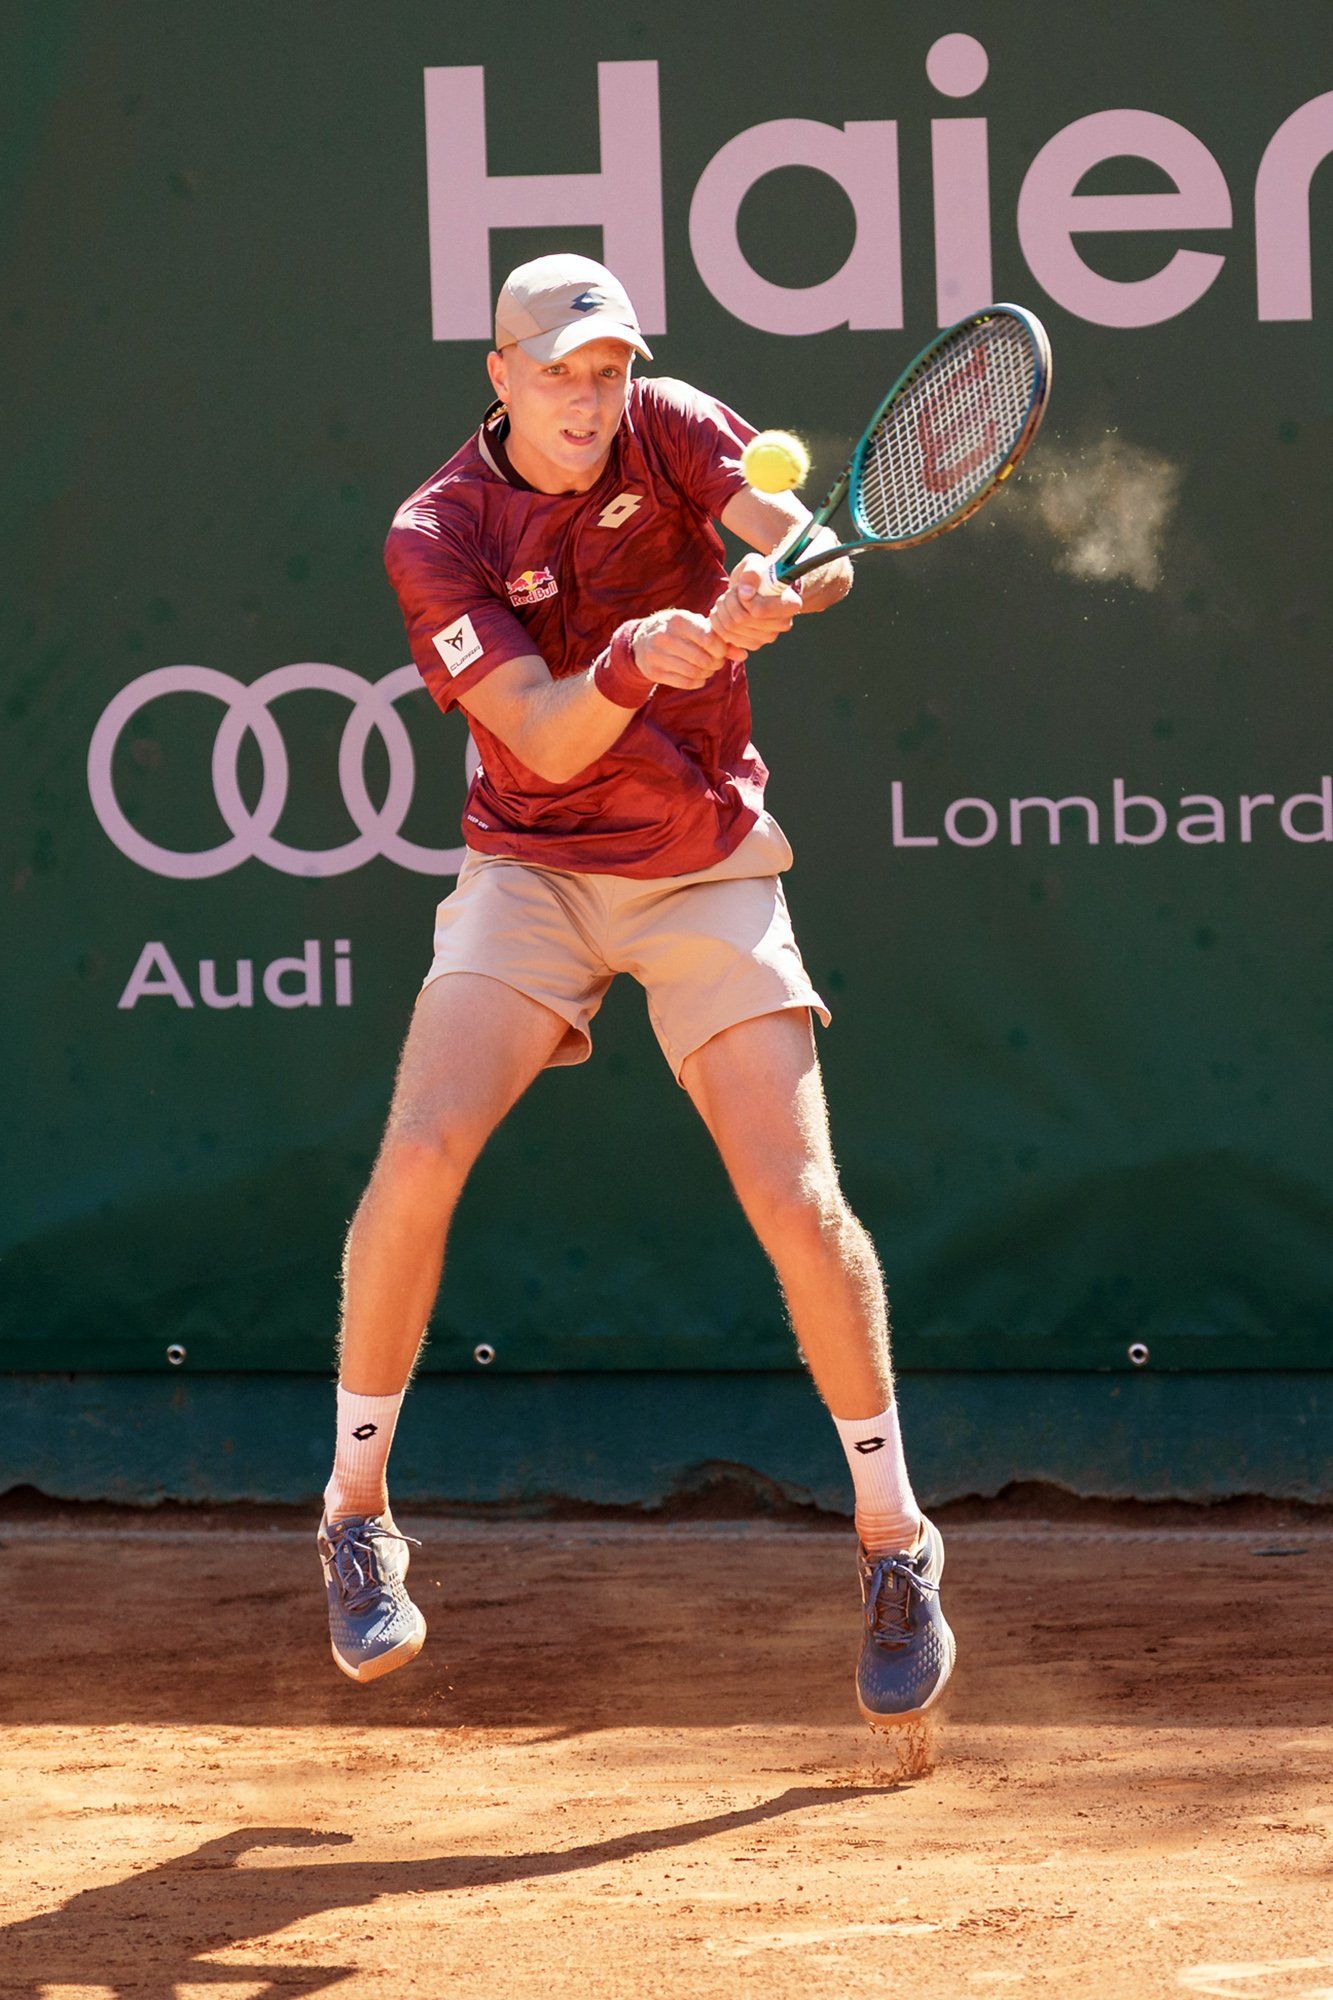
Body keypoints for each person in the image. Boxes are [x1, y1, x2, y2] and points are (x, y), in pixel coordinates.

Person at [317, 254, 955, 1729]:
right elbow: (537, 740)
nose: (591, 399)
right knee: (418, 1153)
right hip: (528, 875)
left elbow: (816, 544)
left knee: (797, 1200)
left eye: (608, 369)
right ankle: (356, 1513)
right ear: (498, 374)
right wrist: (632, 657)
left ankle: (892, 1543)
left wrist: (768, 583)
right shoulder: (439, 532)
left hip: (705, 864)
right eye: (559, 373)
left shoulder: (667, 424)